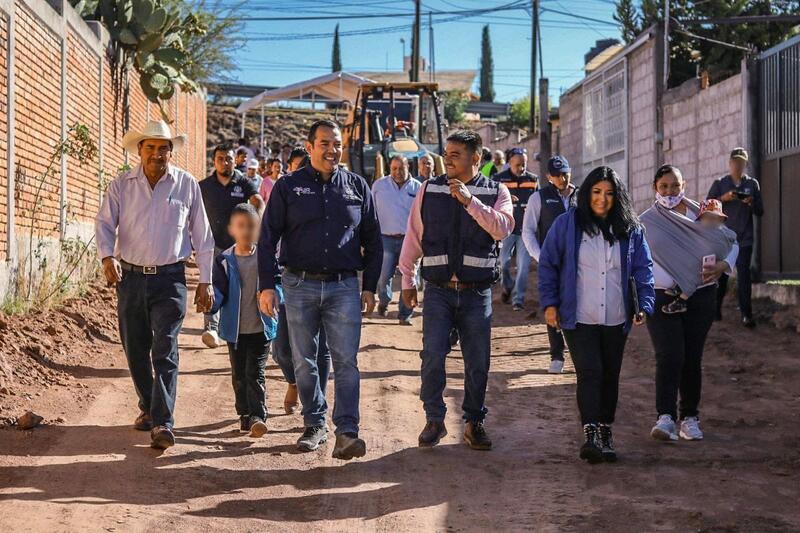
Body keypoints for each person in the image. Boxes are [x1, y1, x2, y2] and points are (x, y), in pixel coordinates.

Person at [258, 119, 382, 460]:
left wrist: (370, 286)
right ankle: (314, 424)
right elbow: (267, 238)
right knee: (304, 361)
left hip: (343, 287)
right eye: (325, 143)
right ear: (310, 146)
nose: (332, 149)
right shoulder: (288, 187)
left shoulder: (357, 186)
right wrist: (267, 285)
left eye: (337, 143)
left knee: (346, 361)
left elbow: (373, 239)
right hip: (298, 285)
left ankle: (346, 431)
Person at [95, 120, 215, 450]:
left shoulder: (187, 185)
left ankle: (162, 422)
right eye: (150, 148)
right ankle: (148, 407)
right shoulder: (122, 184)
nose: (157, 154)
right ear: (139, 150)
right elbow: (104, 224)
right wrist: (107, 258)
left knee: (165, 348)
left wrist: (206, 279)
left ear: (170, 153)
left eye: (163, 149)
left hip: (170, 279)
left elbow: (202, 235)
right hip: (130, 278)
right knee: (135, 349)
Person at [399, 129, 514, 451]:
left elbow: (503, 228)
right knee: (432, 356)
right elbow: (414, 236)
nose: (447, 160)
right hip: (437, 291)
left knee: (477, 362)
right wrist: (407, 281)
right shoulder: (429, 189)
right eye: (446, 154)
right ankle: (434, 419)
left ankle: (473, 421)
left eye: (455, 155)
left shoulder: (496, 191)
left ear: (475, 158)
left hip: (477, 294)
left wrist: (469, 201)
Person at [538, 166, 654, 463]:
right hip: (578, 316)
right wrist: (550, 303)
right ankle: (590, 433)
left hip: (616, 316)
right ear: (587, 192)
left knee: (610, 375)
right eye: (597, 192)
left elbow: (644, 268)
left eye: (609, 194)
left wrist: (644, 303)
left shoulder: (631, 230)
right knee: (590, 371)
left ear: (618, 197)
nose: (602, 199)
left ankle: (605, 430)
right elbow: (549, 264)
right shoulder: (567, 225)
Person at [641, 165, 738, 443]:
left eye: (675, 186)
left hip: (701, 296)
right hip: (662, 297)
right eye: (664, 186)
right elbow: (635, 258)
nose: (670, 191)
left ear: (684, 186)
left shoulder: (704, 213)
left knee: (692, 357)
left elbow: (731, 243)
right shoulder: (647, 221)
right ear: (655, 189)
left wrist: (724, 265)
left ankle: (690, 418)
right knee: (669, 355)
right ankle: (665, 418)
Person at [210, 203, 277, 438]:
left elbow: (277, 283)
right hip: (234, 329)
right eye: (241, 226)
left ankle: (259, 416)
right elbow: (218, 290)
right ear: (232, 229)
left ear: (258, 230)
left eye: (252, 226)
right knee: (239, 374)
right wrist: (211, 303)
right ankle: (245, 414)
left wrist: (274, 295)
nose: (246, 231)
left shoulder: (266, 258)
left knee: (255, 372)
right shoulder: (224, 260)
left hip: (261, 327)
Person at [199, 145, 265, 348]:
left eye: (228, 159)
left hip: (236, 246)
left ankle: (235, 326)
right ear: (214, 161)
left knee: (234, 285)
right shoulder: (205, 185)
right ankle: (211, 327)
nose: (225, 162)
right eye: (220, 159)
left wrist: (255, 226)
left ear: (234, 160)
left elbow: (258, 201)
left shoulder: (242, 182)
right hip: (212, 243)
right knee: (211, 283)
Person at [521, 155, 577, 374]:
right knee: (552, 305)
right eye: (556, 175)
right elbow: (528, 231)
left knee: (577, 306)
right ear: (548, 177)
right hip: (552, 262)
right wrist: (541, 257)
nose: (562, 178)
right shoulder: (539, 198)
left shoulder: (580, 196)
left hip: (578, 263)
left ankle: (578, 353)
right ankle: (557, 355)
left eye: (564, 173)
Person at [707, 148, 764, 328]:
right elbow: (707, 207)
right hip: (723, 238)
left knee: (744, 276)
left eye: (741, 163)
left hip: (744, 238)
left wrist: (751, 202)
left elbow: (760, 211)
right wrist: (723, 198)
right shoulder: (720, 183)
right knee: (722, 275)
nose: (738, 166)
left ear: (745, 164)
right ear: (730, 163)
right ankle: (715, 310)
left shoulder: (752, 184)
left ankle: (747, 314)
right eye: (735, 162)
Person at [660, 199, 736, 314]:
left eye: (713, 217)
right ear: (701, 218)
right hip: (694, 258)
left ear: (720, 219)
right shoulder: (697, 228)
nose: (710, 221)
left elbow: (733, 239)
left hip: (710, 262)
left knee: (697, 278)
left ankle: (681, 301)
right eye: (707, 217)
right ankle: (679, 286)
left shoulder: (723, 232)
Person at [372, 155, 422, 325]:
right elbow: (371, 213)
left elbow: (423, 216)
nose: (398, 172)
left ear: (409, 168)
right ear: (389, 168)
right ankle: (384, 301)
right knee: (383, 276)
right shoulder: (379, 186)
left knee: (410, 278)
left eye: (401, 168)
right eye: (394, 168)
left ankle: (405, 314)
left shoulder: (418, 187)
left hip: (410, 240)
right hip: (385, 239)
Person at [493, 147, 538, 311]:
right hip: (505, 230)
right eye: (518, 164)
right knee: (502, 263)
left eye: (524, 164)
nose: (522, 168)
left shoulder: (533, 180)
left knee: (524, 266)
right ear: (510, 163)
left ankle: (518, 299)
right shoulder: (499, 180)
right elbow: (492, 202)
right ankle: (507, 286)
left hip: (526, 231)